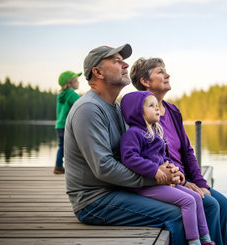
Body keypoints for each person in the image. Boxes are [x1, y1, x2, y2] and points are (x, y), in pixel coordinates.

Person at [64, 44, 188, 245]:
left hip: (119, 189)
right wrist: (155, 178)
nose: (125, 64)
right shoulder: (88, 109)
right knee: (176, 214)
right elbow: (104, 167)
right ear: (98, 72)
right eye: (116, 61)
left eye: (123, 60)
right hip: (95, 202)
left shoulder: (117, 108)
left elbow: (136, 152)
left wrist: (165, 168)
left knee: (194, 202)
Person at [130, 57, 227, 245]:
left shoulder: (172, 111)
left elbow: (187, 151)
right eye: (160, 72)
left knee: (222, 203)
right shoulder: (139, 116)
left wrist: (201, 182)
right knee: (211, 205)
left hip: (184, 177)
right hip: (170, 180)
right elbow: (154, 157)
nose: (167, 75)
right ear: (145, 81)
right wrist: (184, 182)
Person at [120, 91, 215, 245]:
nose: (157, 109)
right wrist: (154, 170)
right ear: (137, 111)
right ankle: (194, 242)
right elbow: (129, 157)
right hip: (146, 185)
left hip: (162, 181)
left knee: (196, 197)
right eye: (151, 106)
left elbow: (164, 157)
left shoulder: (155, 133)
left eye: (157, 105)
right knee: (188, 201)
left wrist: (176, 170)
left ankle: (205, 239)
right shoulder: (133, 134)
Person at [54, 70, 81, 174]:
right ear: (69, 83)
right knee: (70, 148)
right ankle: (71, 168)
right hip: (67, 126)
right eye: (76, 81)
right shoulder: (71, 93)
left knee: (62, 147)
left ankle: (58, 166)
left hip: (59, 125)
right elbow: (81, 105)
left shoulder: (61, 95)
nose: (78, 82)